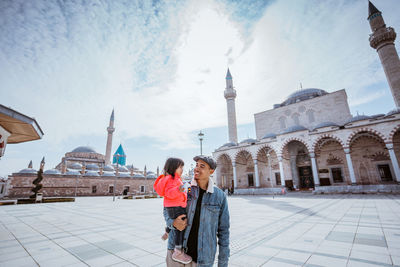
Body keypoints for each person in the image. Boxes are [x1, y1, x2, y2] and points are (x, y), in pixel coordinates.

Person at [164, 155, 230, 267]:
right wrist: (173, 223)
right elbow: (167, 209)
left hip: (203, 259)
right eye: (196, 165)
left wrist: (223, 262)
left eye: (202, 166)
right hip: (176, 255)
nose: (196, 168)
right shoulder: (185, 187)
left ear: (211, 171)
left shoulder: (219, 196)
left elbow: (224, 231)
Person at [154, 158, 192, 264]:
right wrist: (179, 189)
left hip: (176, 206)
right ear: (173, 168)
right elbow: (169, 193)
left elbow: (182, 192)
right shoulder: (171, 179)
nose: (182, 169)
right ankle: (178, 252)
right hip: (175, 206)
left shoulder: (176, 179)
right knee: (180, 227)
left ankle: (167, 232)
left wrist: (187, 189)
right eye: (180, 167)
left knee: (175, 221)